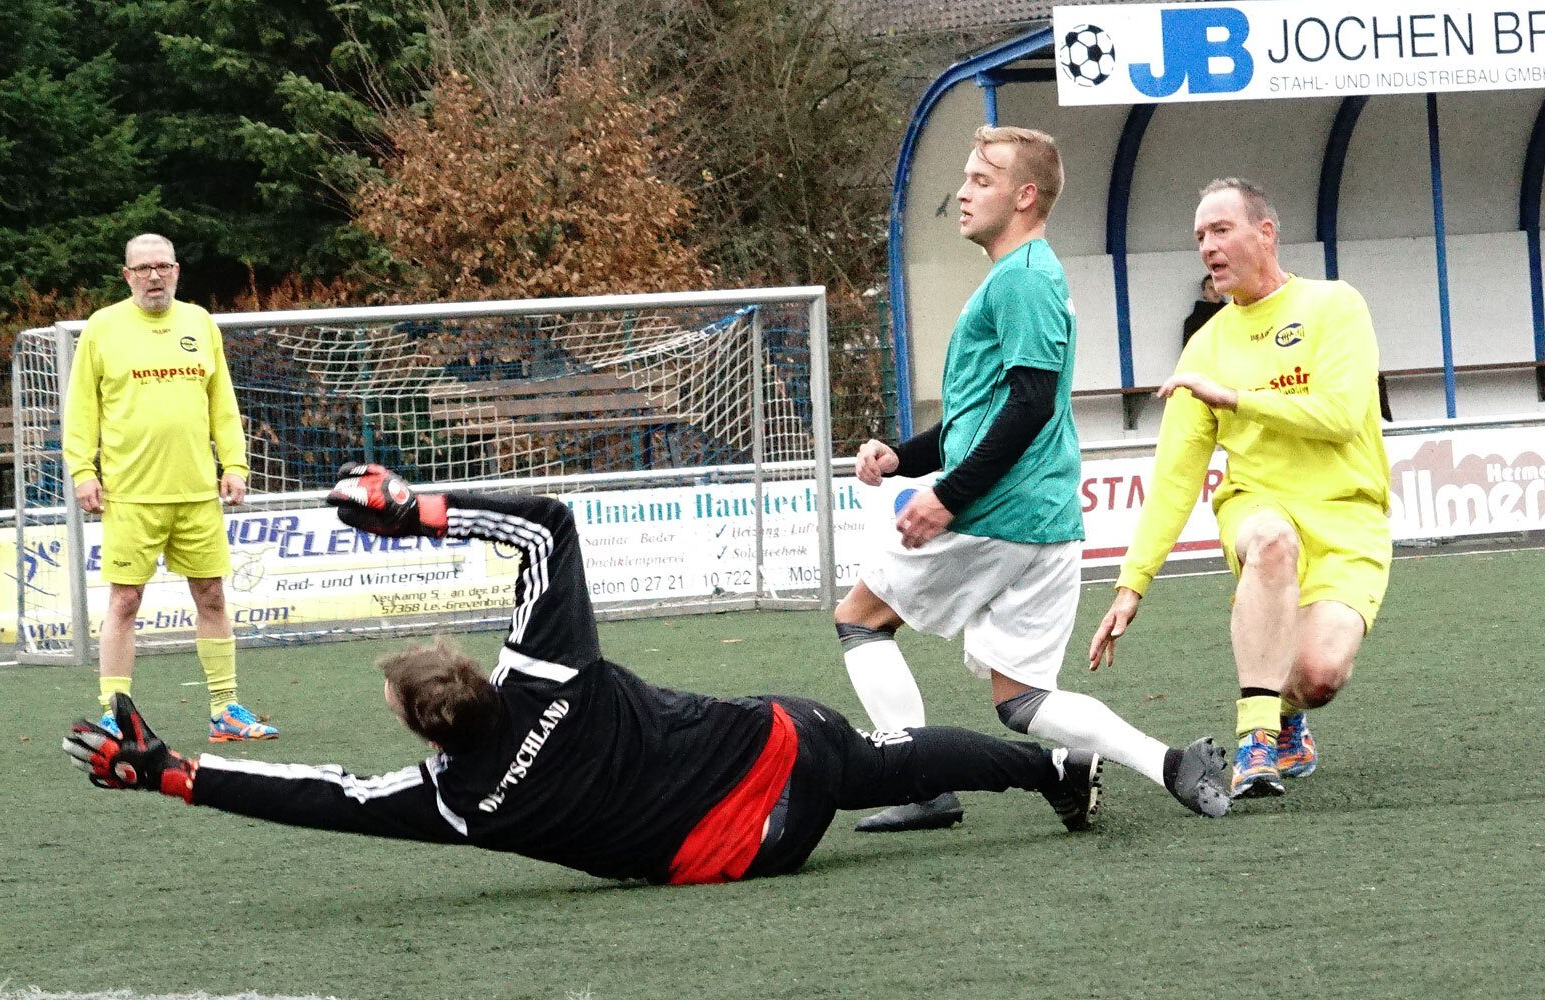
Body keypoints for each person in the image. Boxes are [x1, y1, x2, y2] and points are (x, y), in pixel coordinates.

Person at [63, 464, 1108, 886]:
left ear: (425, 730)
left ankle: (1032, 773)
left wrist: (169, 772)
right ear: (473, 676)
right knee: (869, 752)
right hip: (789, 753)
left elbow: (317, 797)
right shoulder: (547, 670)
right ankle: (1049, 770)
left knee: (851, 761)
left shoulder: (456, 802)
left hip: (746, 859)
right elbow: (546, 526)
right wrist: (412, 510)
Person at [832, 125, 1229, 833]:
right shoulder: (1024, 277)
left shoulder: (1022, 280)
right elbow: (989, 413)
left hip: (994, 513)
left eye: (981, 180)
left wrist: (949, 496)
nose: (961, 191)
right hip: (1043, 519)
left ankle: (923, 784)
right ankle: (1171, 765)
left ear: (1023, 196)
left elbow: (1029, 402)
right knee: (1021, 701)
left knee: (859, 619)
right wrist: (901, 457)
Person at [1088, 178, 1391, 799]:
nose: (1207, 246)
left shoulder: (1336, 305)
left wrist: (1238, 399)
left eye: (1221, 229)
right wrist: (1131, 584)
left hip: (1349, 517)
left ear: (1265, 233)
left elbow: (1338, 417)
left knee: (1318, 674)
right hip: (1259, 506)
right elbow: (1175, 478)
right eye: (1199, 236)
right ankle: (1255, 738)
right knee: (1272, 541)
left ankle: (1289, 717)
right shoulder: (1203, 347)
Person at [62, 233, 274, 742]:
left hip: (197, 492)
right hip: (130, 494)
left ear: (177, 270)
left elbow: (222, 401)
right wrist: (82, 470)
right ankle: (115, 712)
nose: (154, 276)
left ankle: (225, 709)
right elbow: (81, 407)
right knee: (124, 603)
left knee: (212, 597)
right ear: (126, 275)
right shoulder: (102, 328)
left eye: (163, 266)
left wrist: (236, 463)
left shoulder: (199, 323)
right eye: (143, 268)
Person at [1183, 273, 1225, 344]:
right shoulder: (1193, 320)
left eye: (1218, 287)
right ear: (1204, 293)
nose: (1215, 291)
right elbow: (1188, 350)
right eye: (1211, 288)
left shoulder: (1232, 314)